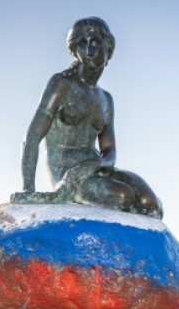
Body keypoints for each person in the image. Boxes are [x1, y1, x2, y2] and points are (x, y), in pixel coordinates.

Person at [15, 17, 163, 218]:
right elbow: (32, 137)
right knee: (123, 197)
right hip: (69, 174)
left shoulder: (106, 99)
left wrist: (95, 164)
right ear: (74, 50)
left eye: (95, 42)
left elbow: (110, 153)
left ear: (108, 48)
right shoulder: (61, 84)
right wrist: (28, 189)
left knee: (150, 204)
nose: (89, 50)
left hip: (97, 169)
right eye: (82, 44)